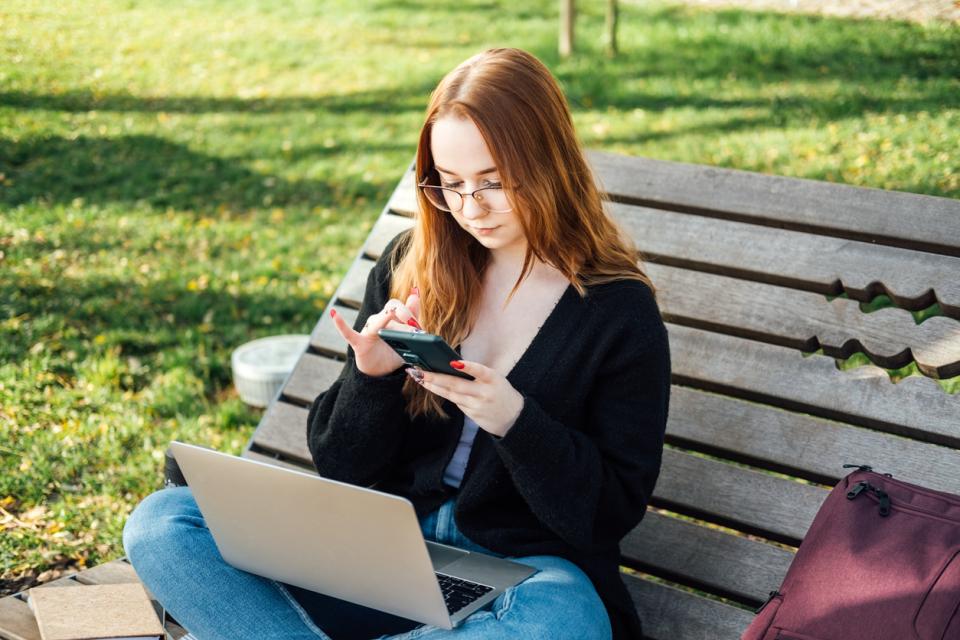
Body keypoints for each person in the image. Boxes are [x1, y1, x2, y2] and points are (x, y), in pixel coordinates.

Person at [123, 47, 670, 640]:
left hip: (524, 576)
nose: (470, 208)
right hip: (390, 549)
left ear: (550, 165)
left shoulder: (617, 312)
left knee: (564, 624)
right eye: (450, 185)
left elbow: (608, 513)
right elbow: (341, 466)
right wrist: (371, 378)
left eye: (493, 182)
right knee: (164, 523)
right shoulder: (415, 266)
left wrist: (514, 419)